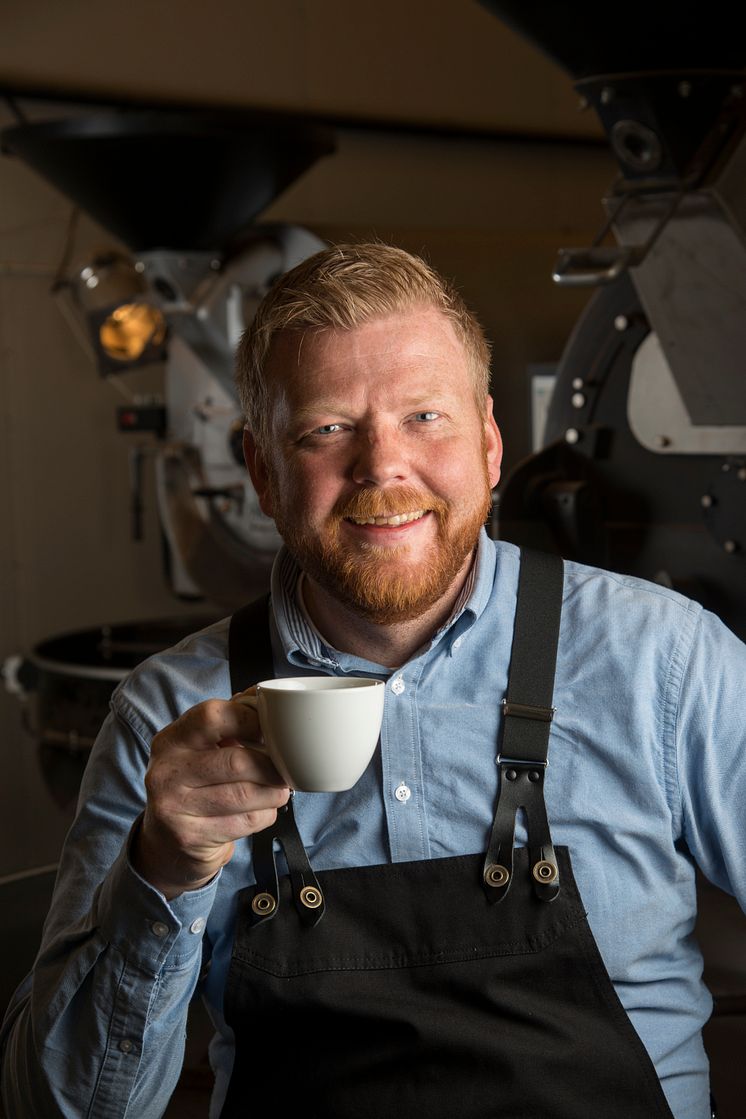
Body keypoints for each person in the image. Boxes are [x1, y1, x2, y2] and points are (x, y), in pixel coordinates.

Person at [2, 242, 745, 1119]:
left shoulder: (665, 658)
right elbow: (61, 1109)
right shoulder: (171, 715)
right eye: (327, 429)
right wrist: (160, 874)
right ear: (263, 472)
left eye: (426, 416)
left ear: (493, 443)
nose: (383, 467)